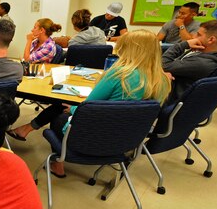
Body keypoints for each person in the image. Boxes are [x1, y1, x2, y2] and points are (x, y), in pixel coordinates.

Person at [9, 30, 171, 176]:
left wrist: (72, 109)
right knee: (63, 106)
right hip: (126, 139)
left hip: (91, 134)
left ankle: (58, 164)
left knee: (60, 113)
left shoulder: (118, 75)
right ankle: (26, 129)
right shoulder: (162, 80)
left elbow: (89, 106)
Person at [162, 19, 217, 104]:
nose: (194, 37)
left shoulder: (203, 63)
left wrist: (183, 45)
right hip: (171, 85)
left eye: (198, 34)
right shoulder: (202, 52)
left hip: (170, 97)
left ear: (211, 39)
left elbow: (164, 65)